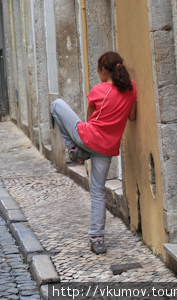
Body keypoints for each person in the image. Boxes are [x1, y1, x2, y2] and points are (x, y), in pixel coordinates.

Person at [50, 52, 137, 255]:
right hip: (107, 149)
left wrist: (81, 143)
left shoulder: (98, 90)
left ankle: (74, 150)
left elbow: (89, 120)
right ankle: (97, 239)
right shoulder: (131, 90)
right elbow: (132, 118)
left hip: (88, 139)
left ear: (104, 70)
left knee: (56, 105)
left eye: (98, 71)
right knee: (98, 190)